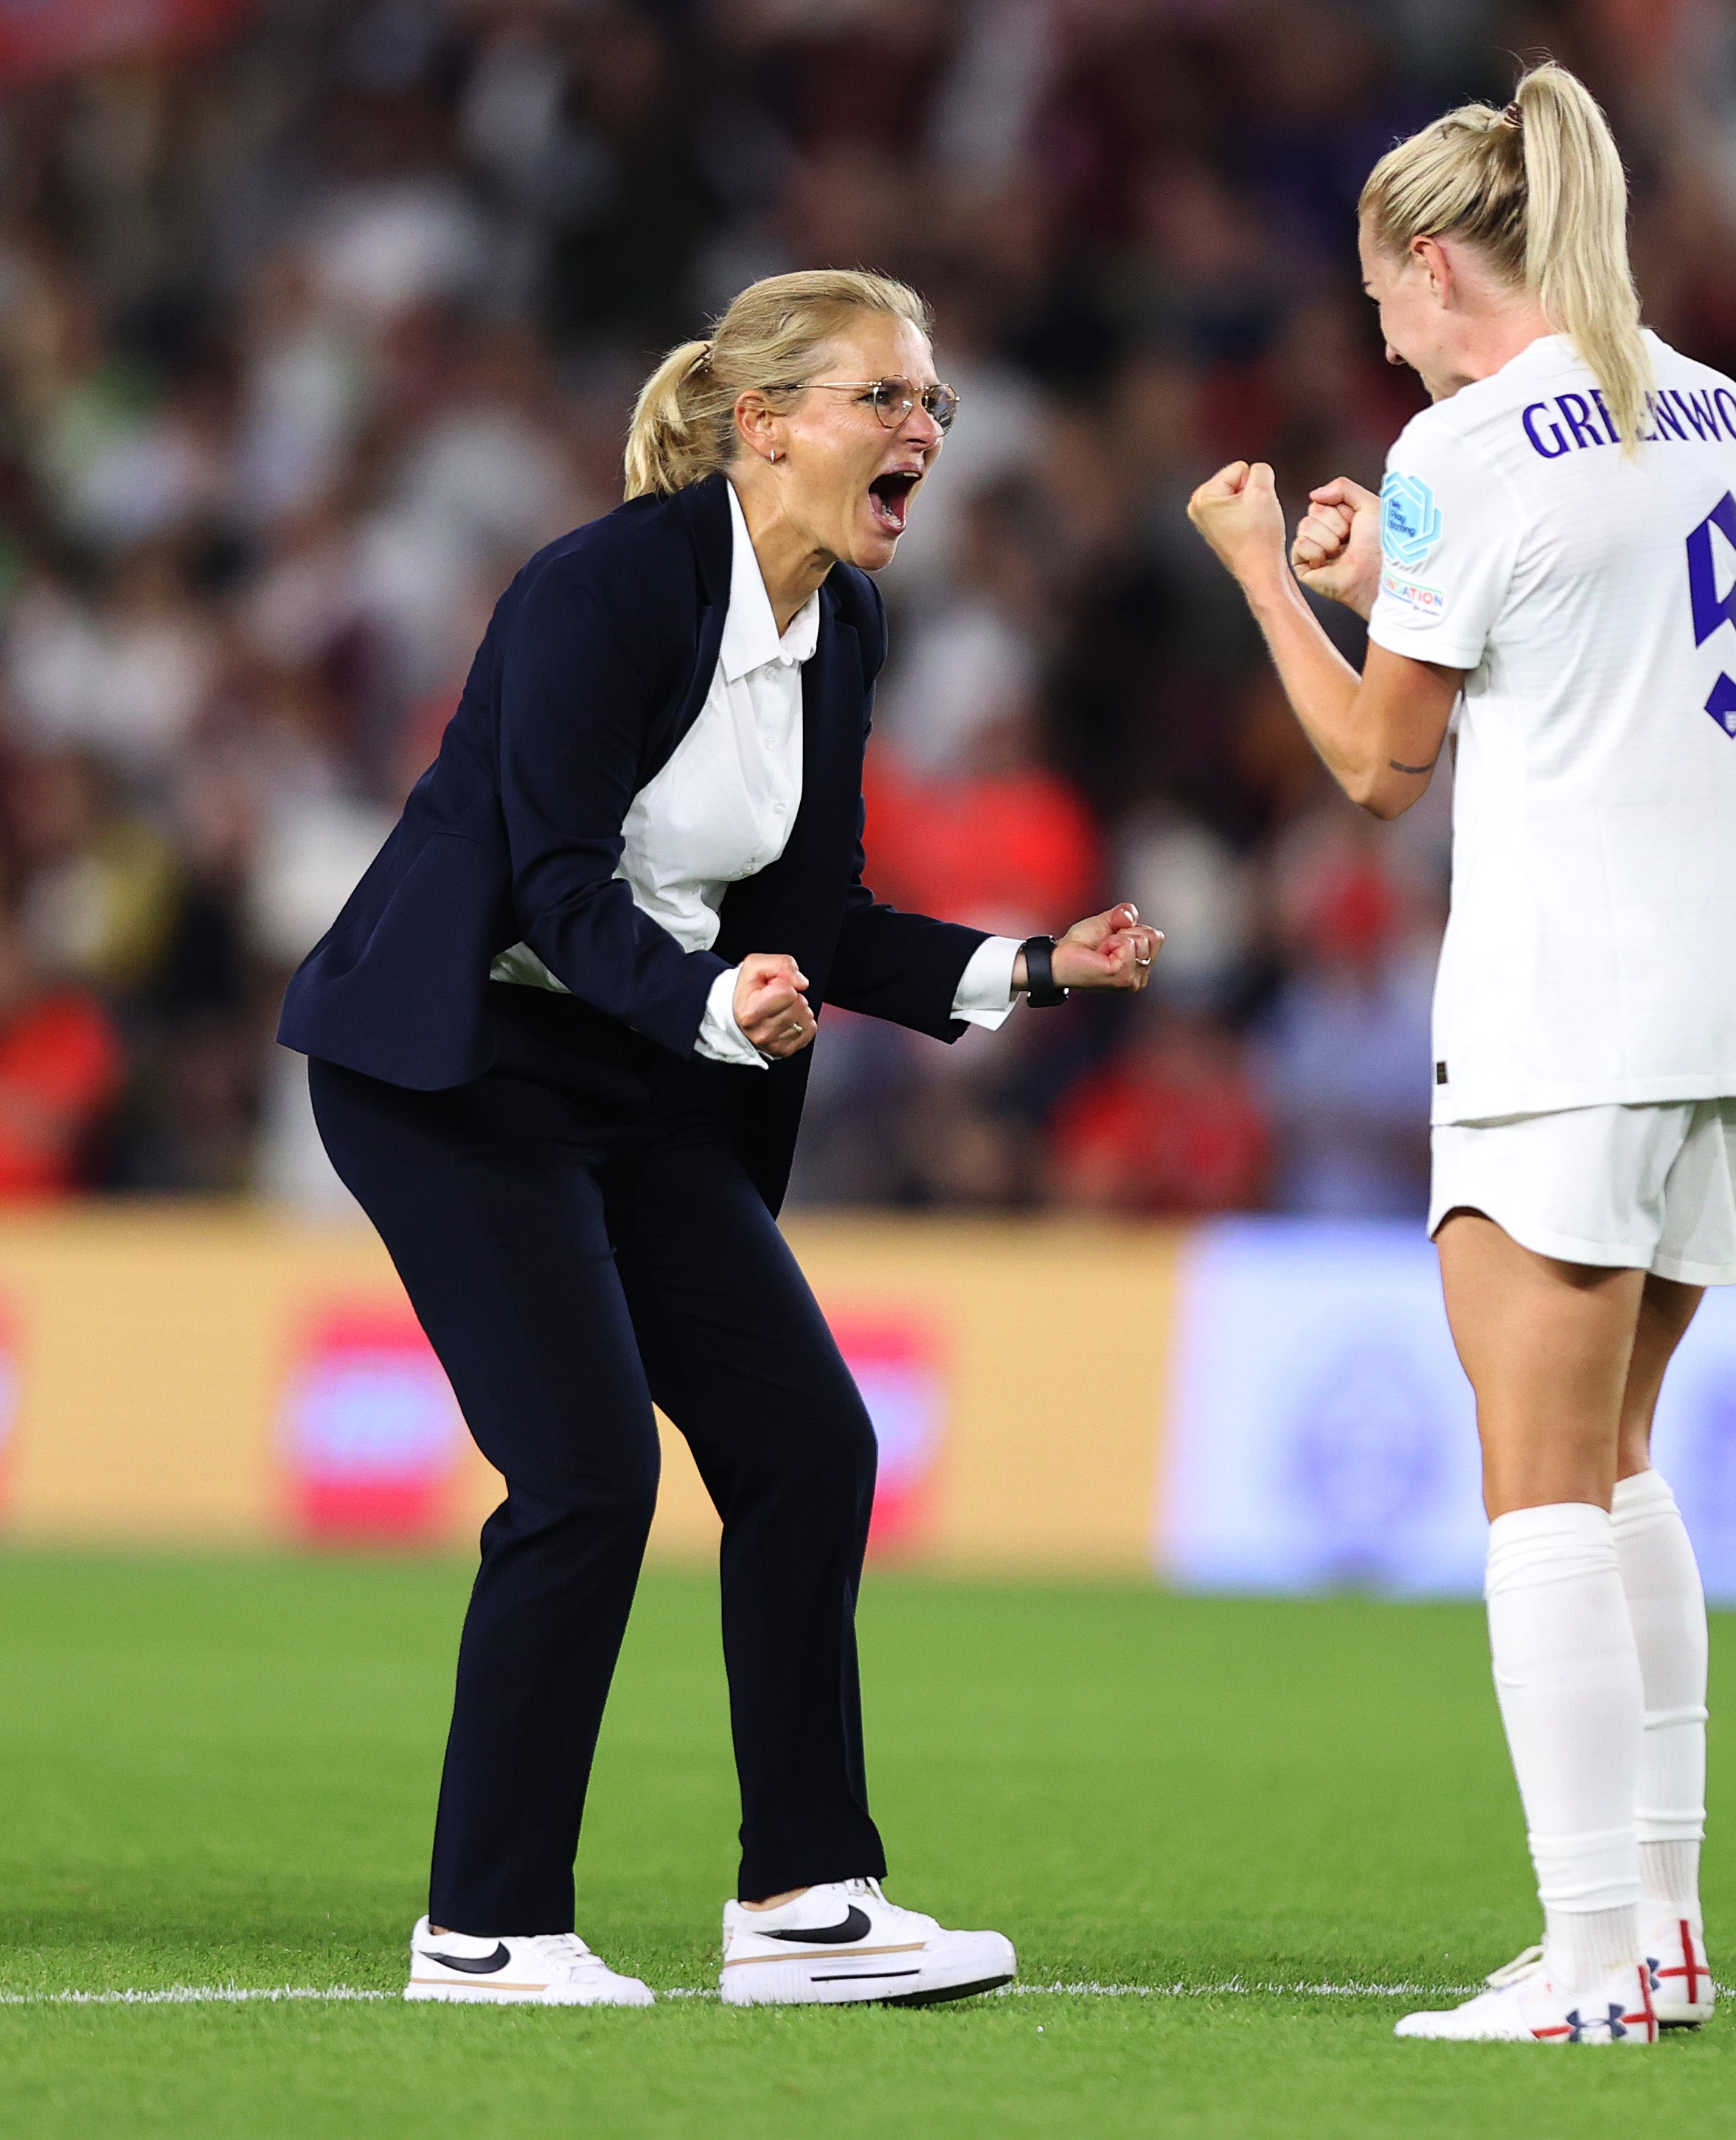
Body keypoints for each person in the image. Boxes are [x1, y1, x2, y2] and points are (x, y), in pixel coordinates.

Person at [279, 270, 1162, 2009]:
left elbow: (812, 906)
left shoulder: (847, 623)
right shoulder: (601, 588)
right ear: (762, 429)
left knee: (809, 1447)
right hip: (459, 1072)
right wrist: (706, 1003)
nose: (924, 431)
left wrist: (1028, 965)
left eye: (935, 407)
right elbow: (550, 881)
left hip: (639, 1068)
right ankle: (485, 1925)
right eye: (884, 400)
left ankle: (804, 1900)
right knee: (589, 1474)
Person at [1187, 63, 1736, 2045]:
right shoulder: (1721, 411)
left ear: (1440, 263)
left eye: (1385, 304)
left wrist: (1272, 581)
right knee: (1620, 1457)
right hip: (1732, 995)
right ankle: (1664, 1928)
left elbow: (1381, 766)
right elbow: (1597, 663)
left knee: (1534, 1480)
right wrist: (1407, 590)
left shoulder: (1457, 447)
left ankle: (1587, 1963)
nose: (1382, 339)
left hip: (1570, 1004)